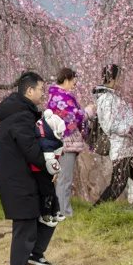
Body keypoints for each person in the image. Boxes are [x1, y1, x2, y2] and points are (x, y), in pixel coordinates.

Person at [0, 71, 59, 265]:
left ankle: (32, 260)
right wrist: (50, 161)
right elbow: (31, 150)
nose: (43, 94)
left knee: (35, 222)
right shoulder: (21, 116)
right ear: (29, 90)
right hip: (18, 182)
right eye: (41, 89)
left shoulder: (17, 113)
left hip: (17, 181)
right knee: (24, 229)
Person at [93, 65, 133, 204]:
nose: (122, 81)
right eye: (120, 77)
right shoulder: (106, 99)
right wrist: (129, 130)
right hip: (120, 146)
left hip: (129, 146)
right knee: (118, 184)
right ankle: (98, 209)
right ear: (113, 78)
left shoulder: (114, 96)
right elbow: (110, 125)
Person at [47, 68, 88, 218]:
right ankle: (63, 212)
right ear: (65, 80)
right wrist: (87, 112)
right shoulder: (61, 97)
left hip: (64, 143)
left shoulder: (57, 96)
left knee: (63, 179)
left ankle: (62, 210)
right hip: (65, 143)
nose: (73, 86)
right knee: (64, 179)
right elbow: (72, 117)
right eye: (72, 83)